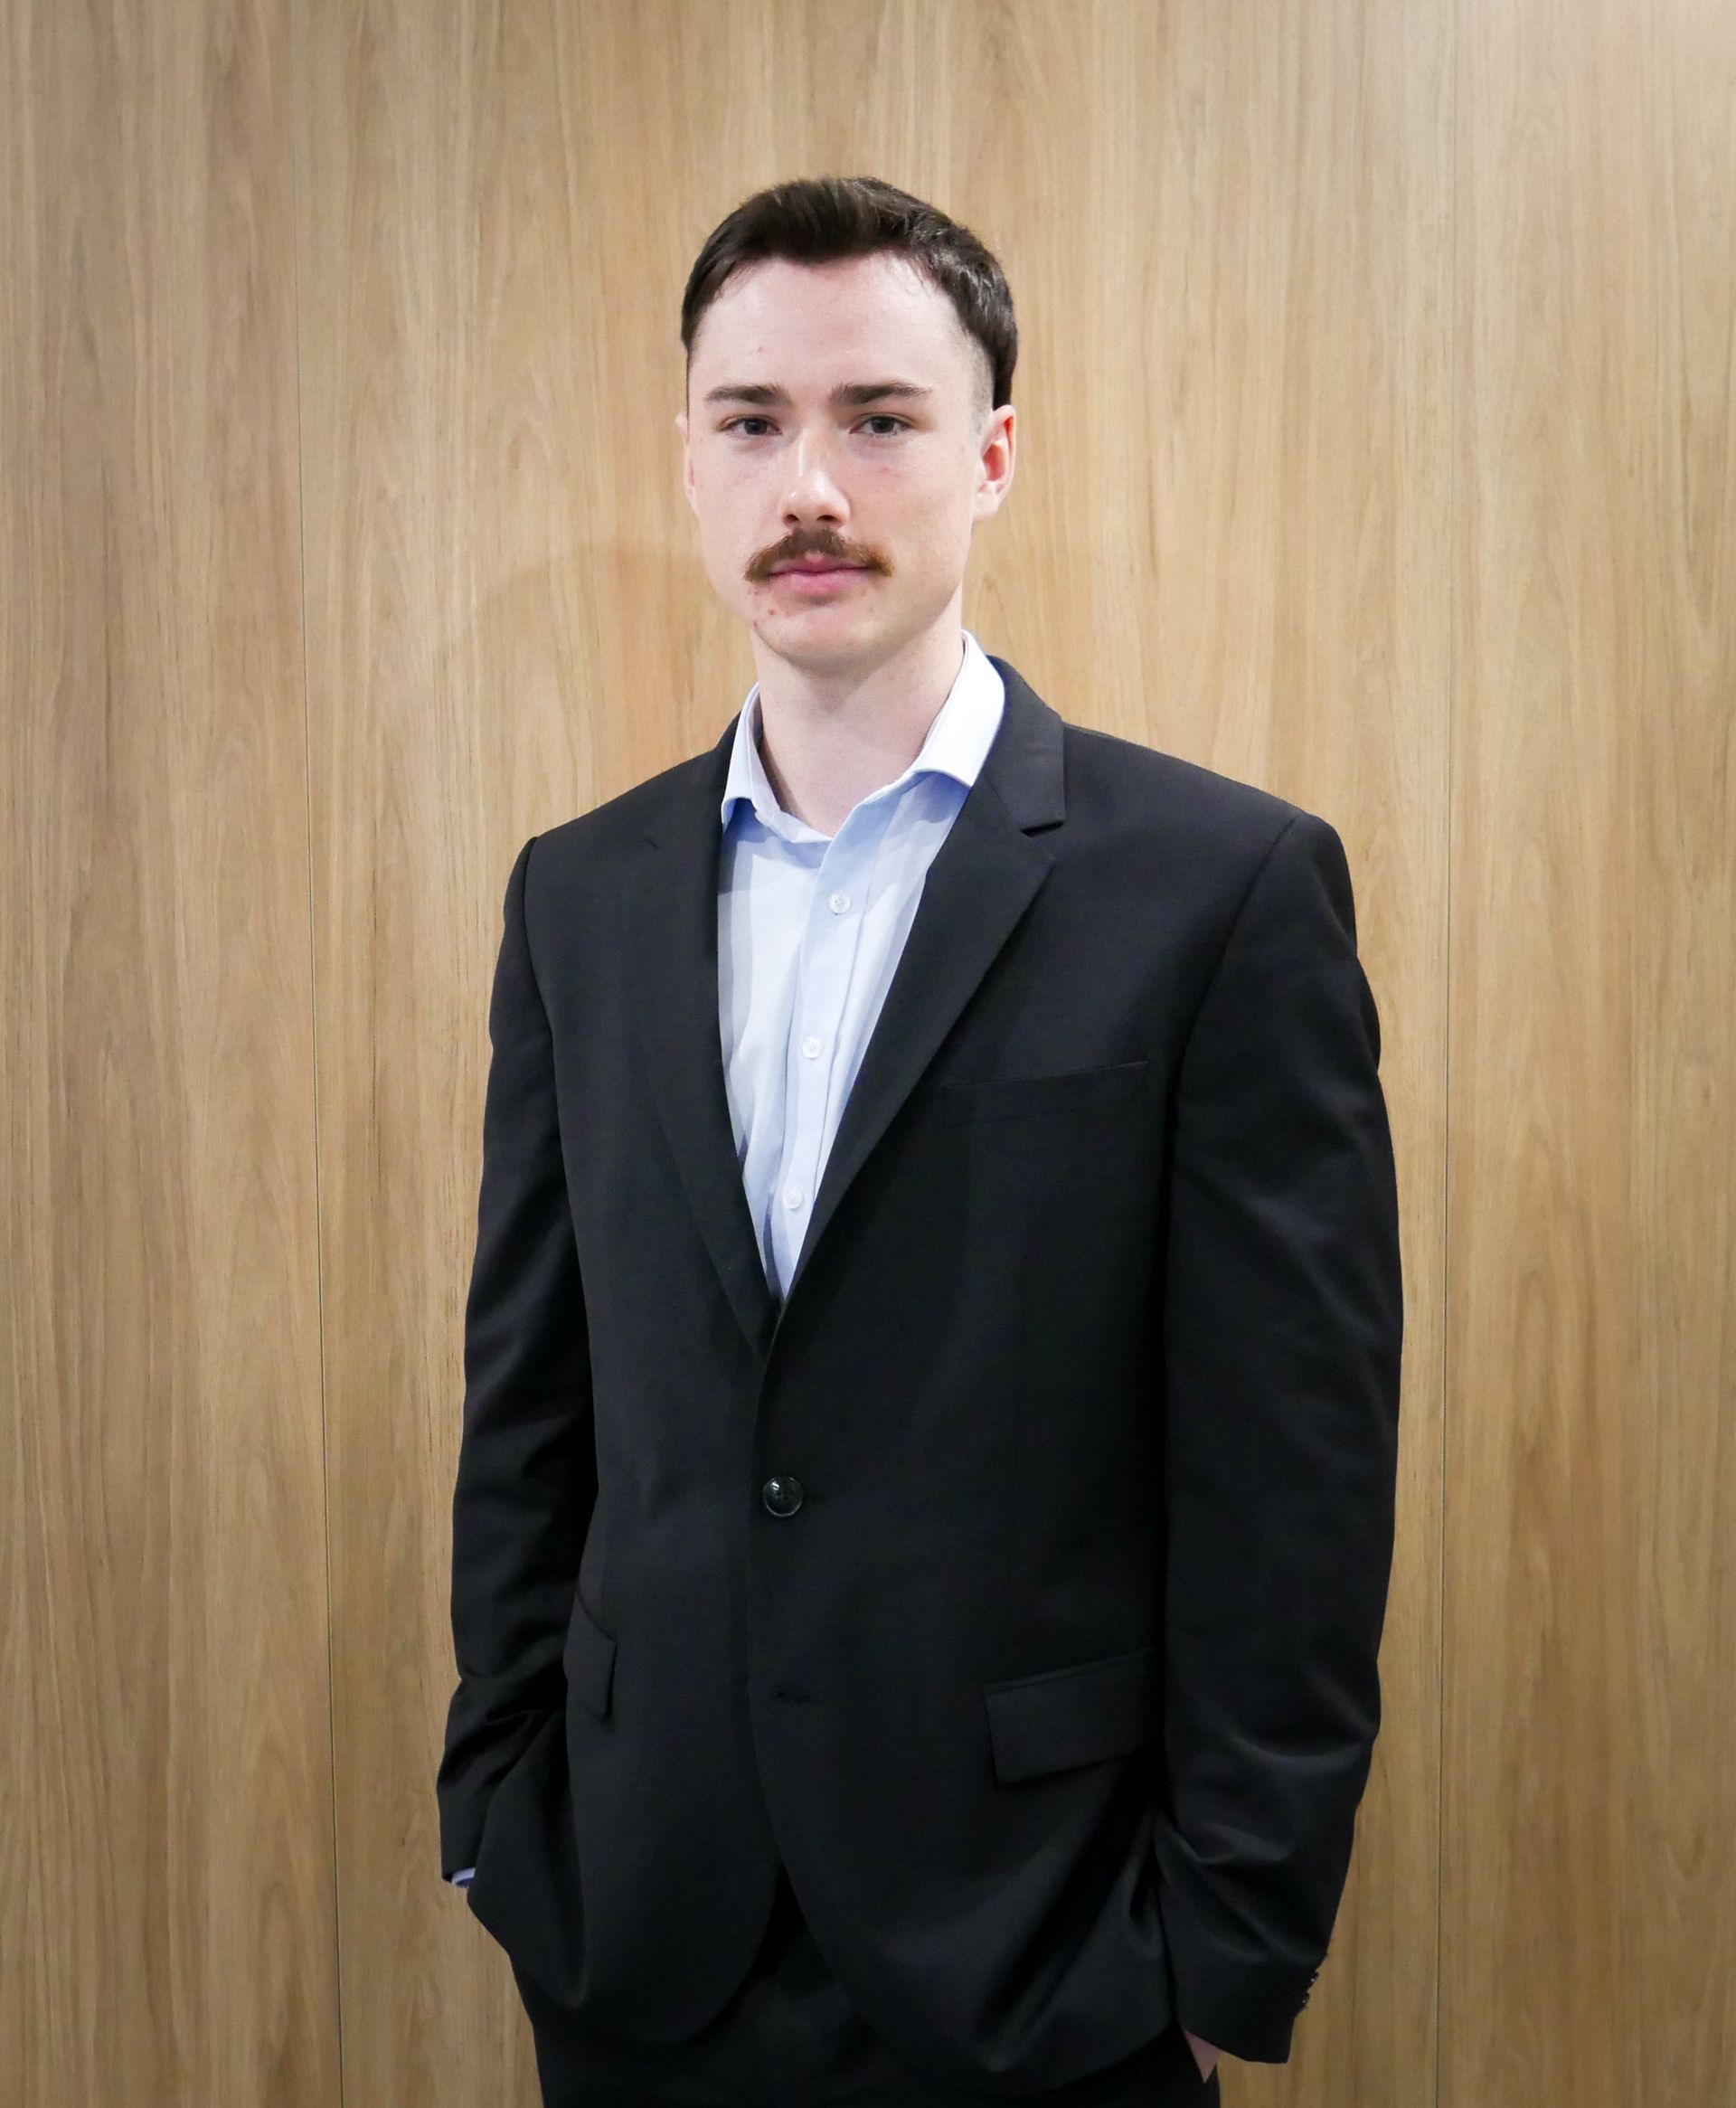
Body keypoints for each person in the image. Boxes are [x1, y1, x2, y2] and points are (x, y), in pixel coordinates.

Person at [436, 175, 1403, 2107]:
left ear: (992, 454)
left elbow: (1291, 1480)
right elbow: (532, 1403)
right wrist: (499, 1809)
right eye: (753, 422)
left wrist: (1231, 1951)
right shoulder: (580, 897)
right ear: (690, 463)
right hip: (638, 1943)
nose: (812, 485)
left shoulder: (1218, 892)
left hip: (1043, 1961)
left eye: (878, 419)